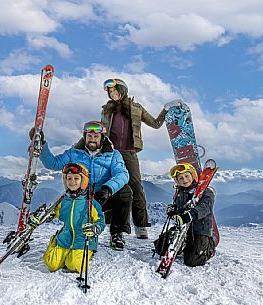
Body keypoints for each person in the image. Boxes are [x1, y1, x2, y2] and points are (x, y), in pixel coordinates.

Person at [31, 121, 132, 251]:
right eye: (89, 136)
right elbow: (53, 164)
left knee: (125, 192)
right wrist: (42, 145)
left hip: (104, 196)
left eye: (96, 136)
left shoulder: (113, 154)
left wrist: (107, 189)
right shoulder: (75, 153)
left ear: (102, 137)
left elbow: (122, 174)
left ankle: (117, 233)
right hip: (82, 198)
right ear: (85, 137)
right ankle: (72, 234)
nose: (92, 139)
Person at [101, 78, 168, 239]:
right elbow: (101, 132)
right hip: (111, 154)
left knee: (136, 187)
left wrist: (165, 111)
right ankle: (114, 226)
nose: (112, 94)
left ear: (122, 90)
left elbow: (156, 123)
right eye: (110, 92)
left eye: (114, 90)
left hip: (129, 153)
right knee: (112, 187)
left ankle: (141, 225)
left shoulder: (136, 108)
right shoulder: (106, 110)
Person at [41, 163, 105, 273]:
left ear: (83, 181)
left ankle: (88, 252)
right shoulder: (62, 201)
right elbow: (53, 213)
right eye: (69, 178)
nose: (72, 182)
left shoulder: (91, 203)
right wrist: (47, 215)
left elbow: (100, 220)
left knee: (74, 265)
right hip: (65, 238)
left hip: (83, 239)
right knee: (51, 263)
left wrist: (96, 228)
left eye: (76, 178)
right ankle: (56, 243)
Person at [166, 163, 216, 267]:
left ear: (193, 175)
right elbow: (179, 208)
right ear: (177, 181)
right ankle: (185, 245)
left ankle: (209, 248)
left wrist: (189, 216)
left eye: (186, 176)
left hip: (200, 230)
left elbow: (205, 208)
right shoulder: (180, 193)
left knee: (192, 261)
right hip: (184, 230)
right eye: (180, 178)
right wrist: (173, 211)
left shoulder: (206, 191)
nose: (184, 180)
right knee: (161, 247)